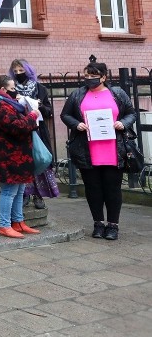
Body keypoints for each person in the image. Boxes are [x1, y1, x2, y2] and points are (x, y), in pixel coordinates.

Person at [60, 60, 136, 241]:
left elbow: (131, 113)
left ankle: (113, 225)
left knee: (112, 189)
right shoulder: (77, 94)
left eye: (93, 76)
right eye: (86, 76)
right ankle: (98, 223)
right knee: (93, 189)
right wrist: (76, 124)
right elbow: (65, 114)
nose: (89, 79)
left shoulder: (117, 93)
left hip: (113, 148)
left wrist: (122, 123)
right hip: (87, 149)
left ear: (103, 77)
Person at [0, 75, 42, 239]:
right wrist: (32, 116)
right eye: (12, 88)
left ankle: (18, 221)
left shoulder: (6, 103)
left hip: (17, 154)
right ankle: (5, 225)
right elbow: (16, 126)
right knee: (9, 191)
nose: (15, 91)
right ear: (2, 90)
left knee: (20, 188)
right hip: (7, 155)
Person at [9, 59, 59, 209]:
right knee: (24, 162)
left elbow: (49, 111)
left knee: (39, 159)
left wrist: (39, 105)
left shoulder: (40, 88)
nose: (18, 74)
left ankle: (39, 195)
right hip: (20, 130)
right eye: (15, 71)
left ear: (28, 71)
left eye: (21, 71)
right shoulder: (11, 89)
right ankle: (24, 194)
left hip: (38, 130)